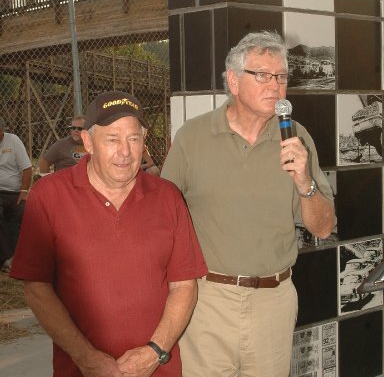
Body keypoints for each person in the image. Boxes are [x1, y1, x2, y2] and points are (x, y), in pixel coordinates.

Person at [161, 31, 336, 377]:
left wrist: (305, 182)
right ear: (233, 81)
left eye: (281, 77)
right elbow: (163, 217)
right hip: (207, 300)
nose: (275, 85)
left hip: (273, 301)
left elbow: (324, 227)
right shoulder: (192, 137)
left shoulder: (297, 139)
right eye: (262, 75)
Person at [10, 90, 208, 377]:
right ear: (88, 142)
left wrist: (155, 351)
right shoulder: (50, 196)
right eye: (113, 139)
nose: (125, 152)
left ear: (144, 140)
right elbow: (37, 288)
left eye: (133, 138)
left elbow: (184, 285)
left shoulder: (167, 197)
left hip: (156, 369)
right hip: (79, 369)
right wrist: (86, 358)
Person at [0, 118, 32, 272]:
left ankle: (8, 257)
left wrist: (24, 192)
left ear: (2, 130)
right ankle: (7, 258)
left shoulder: (13, 141)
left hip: (14, 192)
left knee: (19, 214)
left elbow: (27, 168)